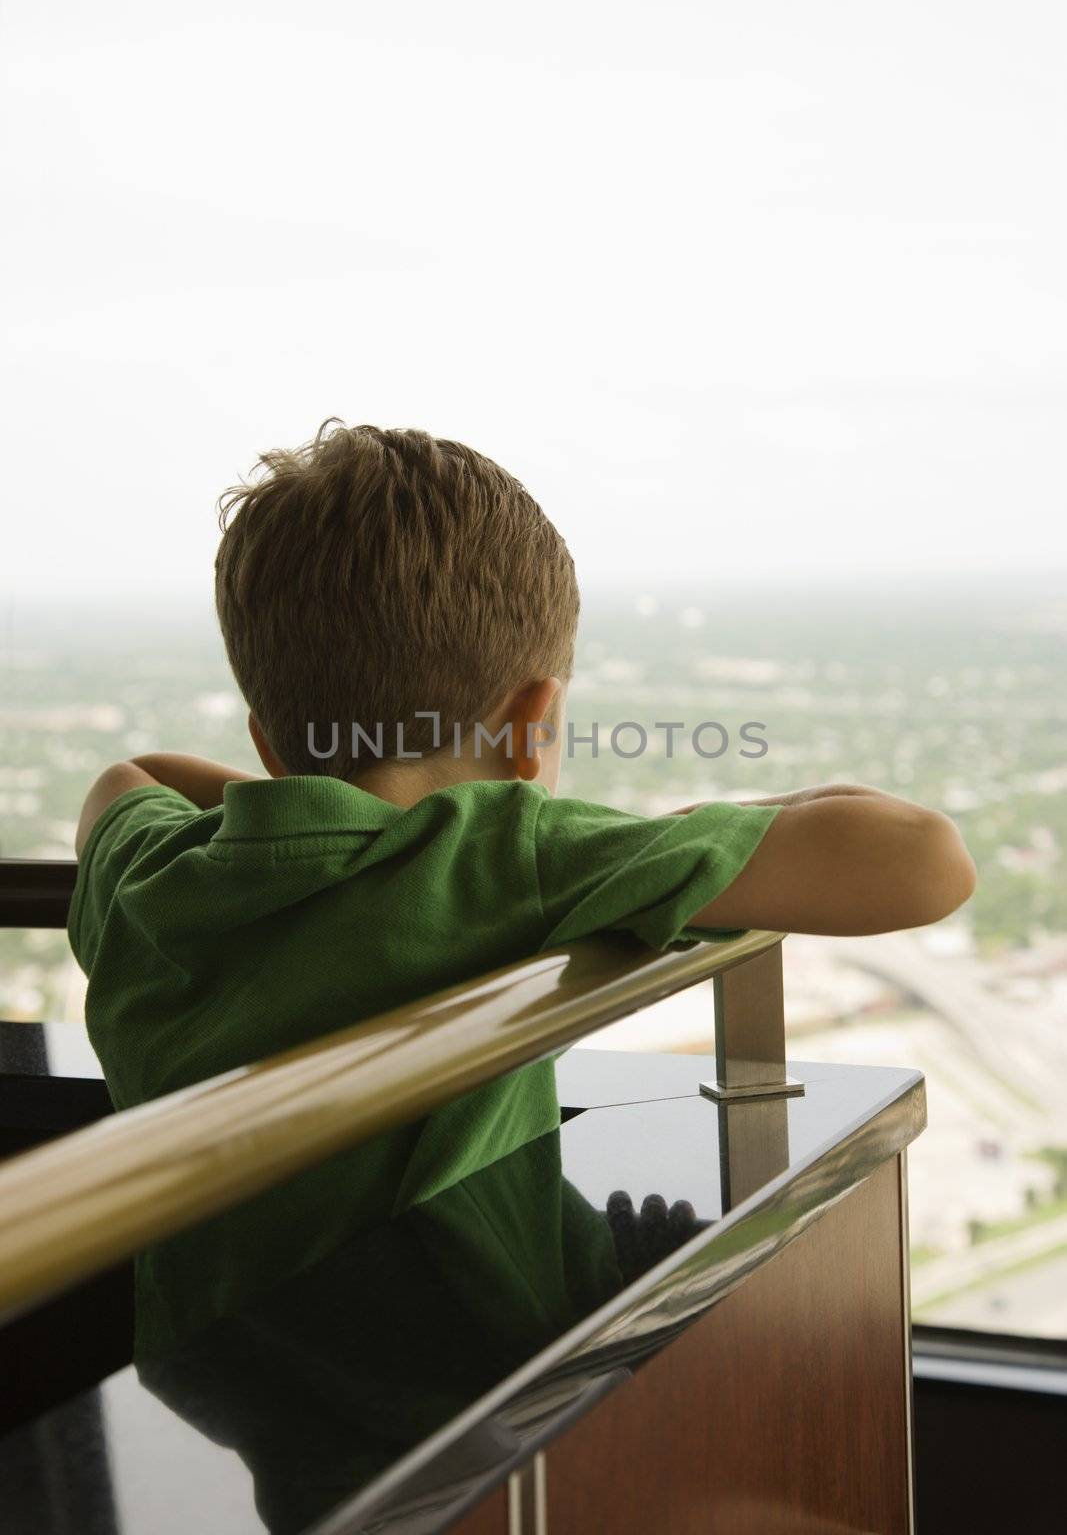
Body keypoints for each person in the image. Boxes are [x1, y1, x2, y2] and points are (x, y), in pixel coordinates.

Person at [68, 421, 976, 1352]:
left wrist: (312, 812)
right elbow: (926, 862)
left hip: (219, 1410)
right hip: (483, 1412)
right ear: (532, 725)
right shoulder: (502, 859)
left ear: (265, 739)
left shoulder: (155, 876)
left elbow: (128, 780)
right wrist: (661, 841)